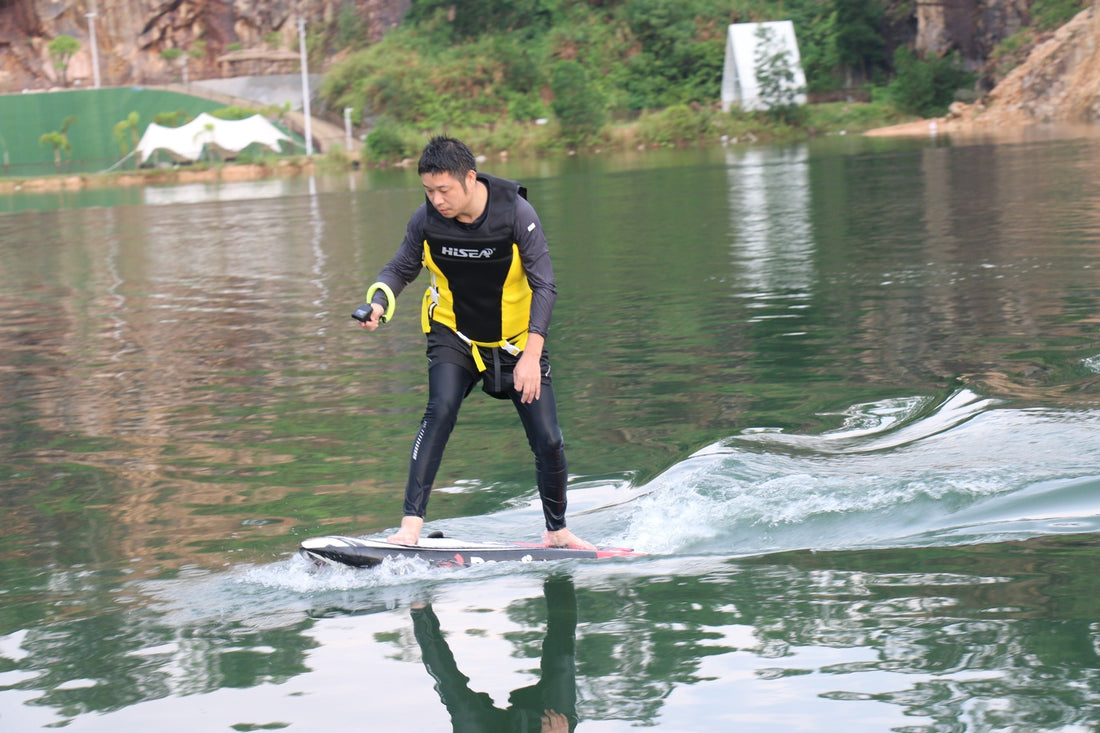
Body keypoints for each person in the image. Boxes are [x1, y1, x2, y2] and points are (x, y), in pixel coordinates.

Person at [360, 135, 593, 550]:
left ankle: (556, 531)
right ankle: (410, 527)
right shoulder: (426, 219)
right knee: (440, 409)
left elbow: (545, 285)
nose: (437, 200)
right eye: (429, 191)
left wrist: (531, 355)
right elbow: (401, 266)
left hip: (517, 340)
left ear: (470, 178)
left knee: (549, 438)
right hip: (455, 333)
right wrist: (378, 303)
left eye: (444, 190)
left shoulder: (516, 214)